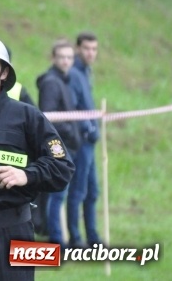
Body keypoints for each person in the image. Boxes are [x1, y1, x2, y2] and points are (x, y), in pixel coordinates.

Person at [0, 32, 74, 280]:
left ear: (4, 73)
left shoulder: (26, 116)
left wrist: (27, 175)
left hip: (16, 231)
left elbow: (62, 167)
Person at [36, 38, 81, 249]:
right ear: (53, 58)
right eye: (61, 57)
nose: (66, 61)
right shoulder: (52, 83)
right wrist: (70, 133)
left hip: (67, 143)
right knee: (58, 194)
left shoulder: (63, 80)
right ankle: (56, 240)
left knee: (61, 194)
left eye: (69, 57)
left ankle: (59, 237)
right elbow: (49, 117)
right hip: (58, 145)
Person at [66, 31, 102, 248]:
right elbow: (72, 108)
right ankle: (75, 237)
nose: (90, 53)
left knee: (92, 191)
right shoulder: (73, 74)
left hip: (90, 142)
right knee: (78, 190)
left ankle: (93, 236)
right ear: (78, 48)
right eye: (87, 48)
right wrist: (88, 130)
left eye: (94, 49)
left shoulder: (86, 73)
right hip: (80, 142)